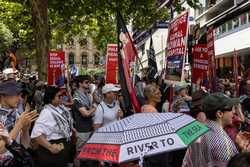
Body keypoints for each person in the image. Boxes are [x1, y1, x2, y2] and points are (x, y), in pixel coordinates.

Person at [182, 93, 239, 167]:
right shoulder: (223, 143)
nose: (234, 112)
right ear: (220, 114)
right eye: (231, 109)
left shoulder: (198, 130)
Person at [31, 86, 73, 167]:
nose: (61, 98)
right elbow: (36, 134)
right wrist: (50, 147)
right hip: (53, 151)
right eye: (59, 96)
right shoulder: (46, 112)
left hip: (62, 147)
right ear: (51, 98)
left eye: (61, 95)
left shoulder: (60, 107)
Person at [71, 75, 97, 167]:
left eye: (89, 82)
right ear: (80, 84)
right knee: (79, 153)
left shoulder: (86, 95)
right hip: (82, 130)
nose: (88, 84)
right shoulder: (77, 98)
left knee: (86, 153)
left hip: (89, 128)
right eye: (86, 82)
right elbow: (85, 113)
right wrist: (94, 108)